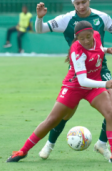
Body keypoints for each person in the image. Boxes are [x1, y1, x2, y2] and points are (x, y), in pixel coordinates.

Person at [6, 21, 112, 163]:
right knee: (52, 120)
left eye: (89, 36)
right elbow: (82, 81)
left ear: (93, 33)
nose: (86, 40)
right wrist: (106, 84)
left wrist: (106, 50)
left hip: (93, 87)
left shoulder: (97, 37)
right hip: (74, 87)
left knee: (110, 113)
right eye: (82, 38)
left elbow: (96, 48)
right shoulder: (77, 50)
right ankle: (22, 151)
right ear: (76, 37)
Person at [35, 0, 112, 160]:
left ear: (89, 1)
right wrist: (39, 18)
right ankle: (50, 144)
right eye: (77, 3)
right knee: (66, 112)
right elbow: (40, 30)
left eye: (84, 2)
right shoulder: (66, 19)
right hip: (78, 72)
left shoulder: (102, 17)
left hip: (101, 67)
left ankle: (102, 143)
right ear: (73, 4)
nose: (81, 6)